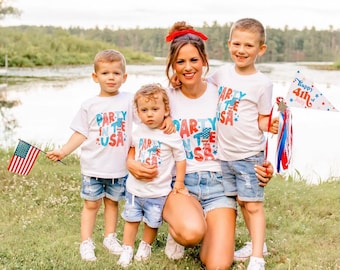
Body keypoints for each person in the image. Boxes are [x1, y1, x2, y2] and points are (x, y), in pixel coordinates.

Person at [127, 21, 275, 270]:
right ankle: (181, 232)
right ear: (172, 65)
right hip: (181, 185)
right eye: (180, 62)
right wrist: (130, 162)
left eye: (193, 60)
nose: (188, 67)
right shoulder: (164, 99)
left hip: (220, 185)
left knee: (218, 264)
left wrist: (263, 164)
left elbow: (249, 128)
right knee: (190, 231)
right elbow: (138, 134)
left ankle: (213, 230)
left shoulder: (224, 91)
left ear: (204, 60)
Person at [46, 49, 133, 261]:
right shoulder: (89, 105)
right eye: (105, 73)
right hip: (93, 167)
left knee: (112, 202)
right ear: (95, 77)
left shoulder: (131, 101)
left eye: (116, 73)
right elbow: (80, 133)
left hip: (119, 168)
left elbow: (149, 117)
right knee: (91, 204)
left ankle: (109, 238)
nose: (111, 77)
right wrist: (64, 150)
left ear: (124, 77)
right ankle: (86, 242)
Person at [208, 18, 278, 270]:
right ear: (228, 44)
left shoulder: (262, 83)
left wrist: (270, 124)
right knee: (241, 199)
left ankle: (257, 257)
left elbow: (261, 118)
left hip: (249, 154)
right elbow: (204, 97)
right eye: (236, 43)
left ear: (261, 49)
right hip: (224, 154)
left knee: (253, 204)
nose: (241, 50)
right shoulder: (221, 74)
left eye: (249, 45)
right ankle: (256, 242)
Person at [117, 83, 187, 267]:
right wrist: (131, 162)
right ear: (138, 113)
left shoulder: (170, 134)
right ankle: (127, 248)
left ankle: (145, 245)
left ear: (166, 110)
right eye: (144, 110)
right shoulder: (138, 131)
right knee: (131, 220)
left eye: (155, 109)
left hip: (158, 191)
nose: (149, 114)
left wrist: (179, 182)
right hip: (134, 188)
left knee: (152, 222)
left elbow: (181, 159)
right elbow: (131, 148)